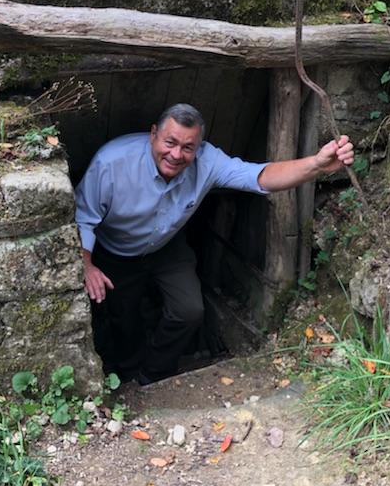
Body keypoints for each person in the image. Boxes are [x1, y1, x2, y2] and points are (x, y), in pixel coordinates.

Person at [74, 103, 353, 385]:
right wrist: (86, 264)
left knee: (189, 309)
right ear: (153, 134)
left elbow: (259, 177)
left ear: (199, 147)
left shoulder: (207, 161)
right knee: (124, 319)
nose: (176, 154)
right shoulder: (112, 162)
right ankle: (129, 375)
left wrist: (316, 164)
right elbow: (84, 218)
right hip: (116, 249)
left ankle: (155, 374)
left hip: (166, 245)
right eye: (170, 142)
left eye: (187, 147)